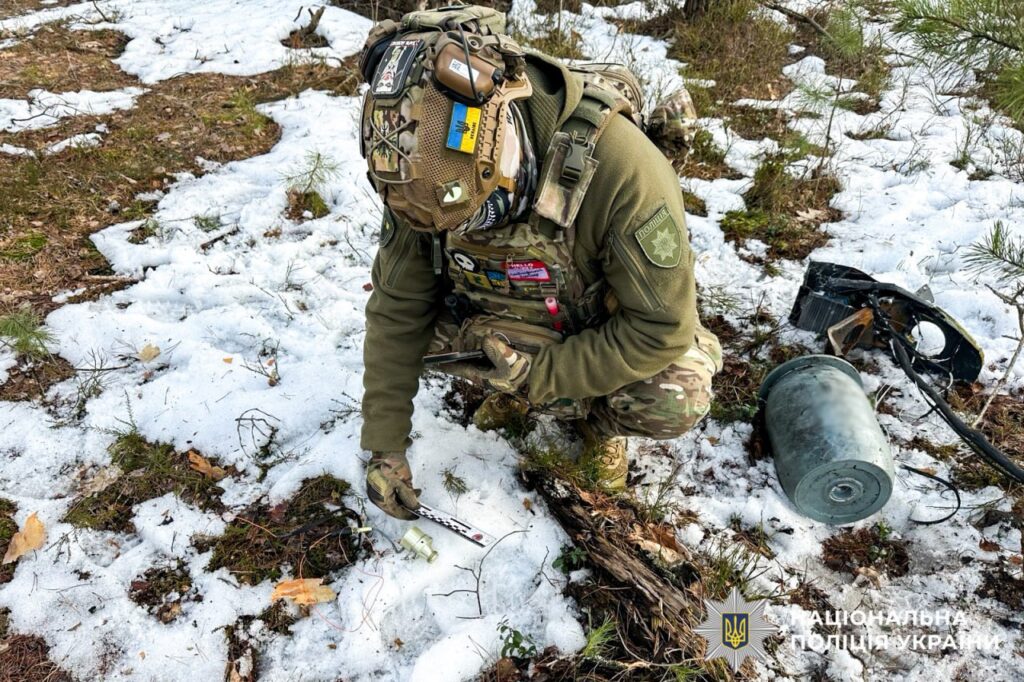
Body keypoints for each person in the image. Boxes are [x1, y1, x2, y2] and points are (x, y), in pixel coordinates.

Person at [357, 5, 722, 520]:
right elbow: (398, 307)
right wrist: (385, 448)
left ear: (507, 148)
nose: (465, 228)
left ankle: (599, 428)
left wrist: (538, 376)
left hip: (594, 325)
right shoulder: (419, 177)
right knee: (420, 342)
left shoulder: (624, 169)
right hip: (501, 315)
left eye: (479, 211)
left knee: (675, 393)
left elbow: (661, 329)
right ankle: (514, 388)